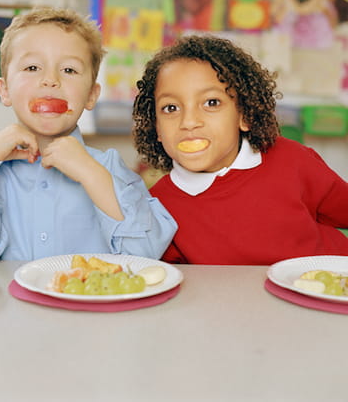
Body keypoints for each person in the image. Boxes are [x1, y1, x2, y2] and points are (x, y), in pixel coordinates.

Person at [0, 6, 176, 266]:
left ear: (91, 94)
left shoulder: (108, 168)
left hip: (88, 306)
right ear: (5, 90)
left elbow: (145, 256)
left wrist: (90, 174)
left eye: (68, 70)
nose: (50, 80)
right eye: (32, 67)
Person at [132, 34, 348, 265]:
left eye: (211, 103)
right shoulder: (160, 205)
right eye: (171, 107)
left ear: (244, 115)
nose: (189, 121)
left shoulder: (293, 160)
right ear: (157, 128)